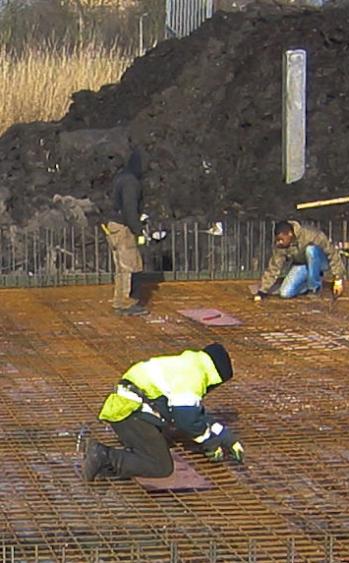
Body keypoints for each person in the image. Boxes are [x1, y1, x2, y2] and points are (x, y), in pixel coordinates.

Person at [82, 343, 244, 481]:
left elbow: (194, 412)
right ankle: (104, 456)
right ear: (216, 377)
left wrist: (222, 434)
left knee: (168, 433)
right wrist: (209, 440)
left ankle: (129, 454)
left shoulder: (190, 365)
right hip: (130, 412)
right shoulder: (194, 377)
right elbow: (186, 420)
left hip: (131, 404)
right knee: (161, 466)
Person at [103, 150, 148, 316]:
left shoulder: (121, 177)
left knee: (121, 267)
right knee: (131, 265)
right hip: (123, 228)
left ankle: (119, 300)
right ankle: (128, 302)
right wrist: (139, 231)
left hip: (113, 226)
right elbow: (129, 209)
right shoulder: (131, 182)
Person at [254, 220, 346, 300]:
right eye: (278, 240)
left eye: (281, 239)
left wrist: (338, 278)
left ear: (289, 234)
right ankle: (309, 282)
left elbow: (332, 253)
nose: (279, 242)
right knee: (285, 293)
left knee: (311, 250)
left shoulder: (310, 235)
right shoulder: (280, 246)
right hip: (303, 264)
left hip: (321, 262)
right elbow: (274, 267)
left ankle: (314, 288)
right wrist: (263, 291)